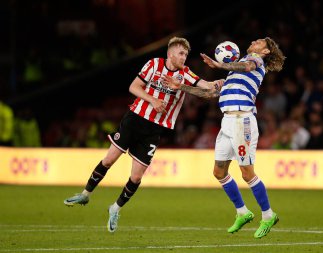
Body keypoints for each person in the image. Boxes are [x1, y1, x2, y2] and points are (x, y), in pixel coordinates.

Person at [64, 37, 223, 233]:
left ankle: (115, 208)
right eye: (181, 53)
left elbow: (204, 86)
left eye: (186, 54)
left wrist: (217, 82)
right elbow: (133, 87)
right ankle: (85, 194)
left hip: (154, 129)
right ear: (171, 53)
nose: (184, 57)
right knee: (108, 159)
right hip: (135, 119)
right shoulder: (153, 64)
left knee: (136, 177)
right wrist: (153, 100)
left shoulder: (185, 74)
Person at [163, 37, 285, 238]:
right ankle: (242, 212)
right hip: (227, 121)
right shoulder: (234, 72)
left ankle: (268, 215)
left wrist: (220, 64)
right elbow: (210, 93)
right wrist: (181, 88)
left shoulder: (256, 62)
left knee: (247, 173)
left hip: (242, 119)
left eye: (260, 42)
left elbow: (246, 66)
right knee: (219, 172)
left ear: (265, 51)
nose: (254, 41)